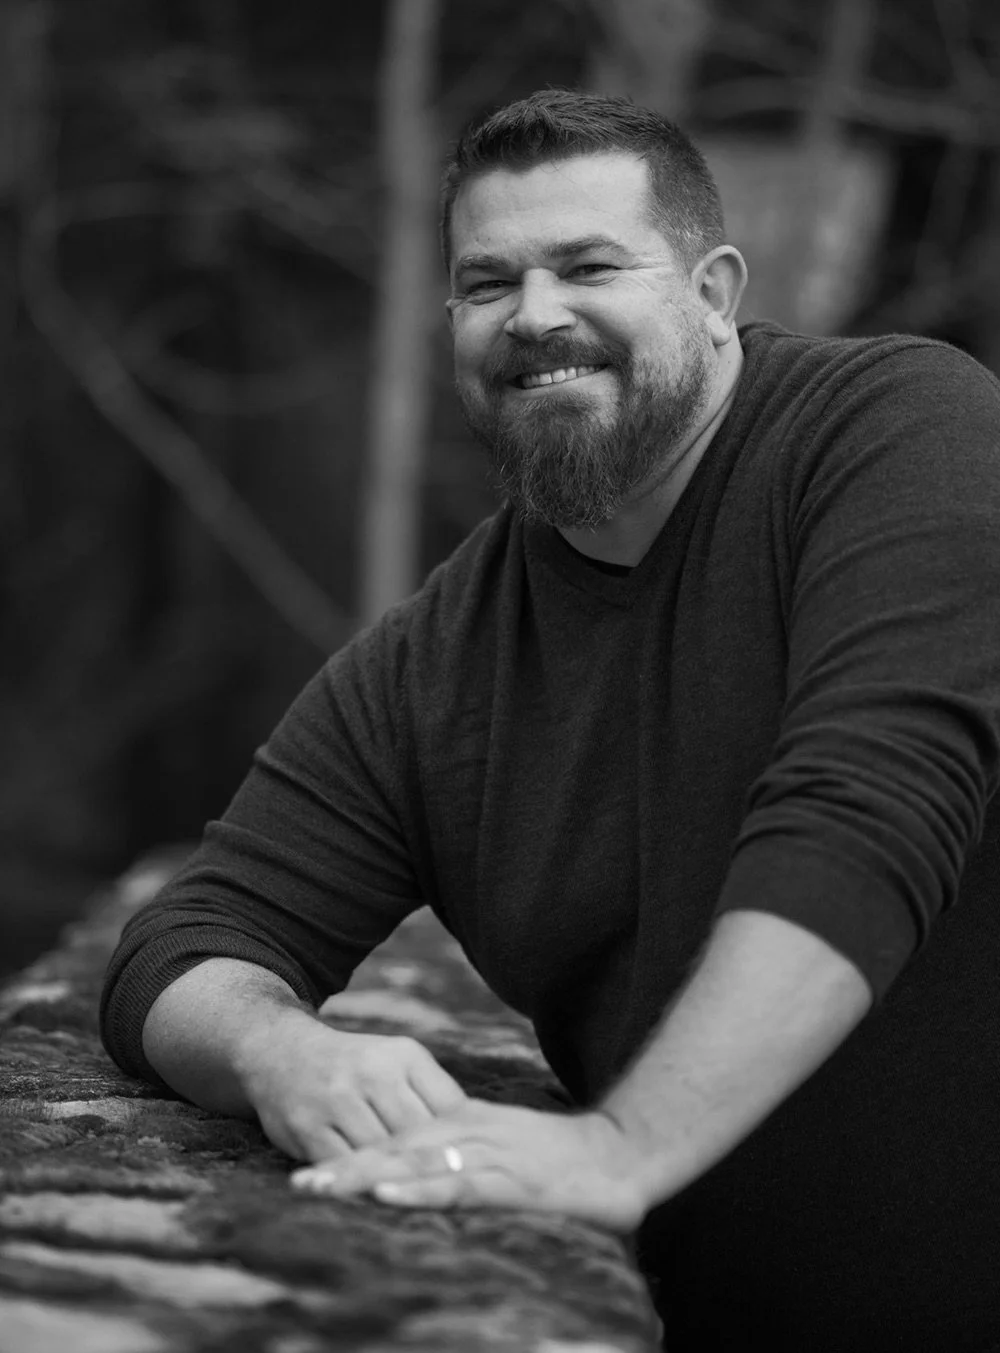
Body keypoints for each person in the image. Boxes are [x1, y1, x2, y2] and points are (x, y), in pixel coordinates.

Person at [100, 89, 1000, 1353]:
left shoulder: (900, 431)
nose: (534, 315)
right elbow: (187, 940)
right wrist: (284, 1056)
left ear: (712, 291)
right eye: (487, 283)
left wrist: (623, 1149)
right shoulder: (441, 657)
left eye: (588, 266)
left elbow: (874, 804)